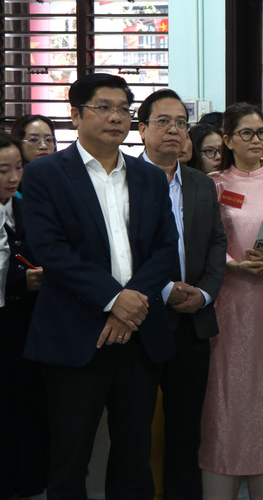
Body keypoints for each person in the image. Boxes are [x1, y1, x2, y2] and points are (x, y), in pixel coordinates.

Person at [22, 73, 178, 499]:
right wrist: (113, 299)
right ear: (75, 115)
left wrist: (132, 304)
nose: (116, 117)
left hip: (140, 336)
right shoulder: (45, 175)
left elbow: (166, 248)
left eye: (123, 108)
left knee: (134, 455)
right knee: (70, 457)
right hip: (75, 336)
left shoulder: (148, 177)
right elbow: (50, 250)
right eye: (103, 107)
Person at [198, 102, 263, 499]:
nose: (258, 141)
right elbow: (202, 242)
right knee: (222, 392)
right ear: (227, 139)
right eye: (247, 133)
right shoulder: (213, 185)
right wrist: (231, 266)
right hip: (225, 302)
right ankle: (220, 466)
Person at [137, 89, 228, 500]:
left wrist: (205, 294)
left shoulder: (200, 184)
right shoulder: (125, 180)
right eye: (163, 122)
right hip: (140, 319)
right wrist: (165, 288)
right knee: (134, 431)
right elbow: (119, 249)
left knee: (186, 432)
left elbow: (215, 244)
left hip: (193, 322)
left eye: (180, 122)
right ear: (142, 129)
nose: (174, 130)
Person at [0, 132, 48, 499]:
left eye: (17, 167)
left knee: (26, 409)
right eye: (3, 171)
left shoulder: (22, 207)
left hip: (23, 325)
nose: (14, 177)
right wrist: (17, 280)